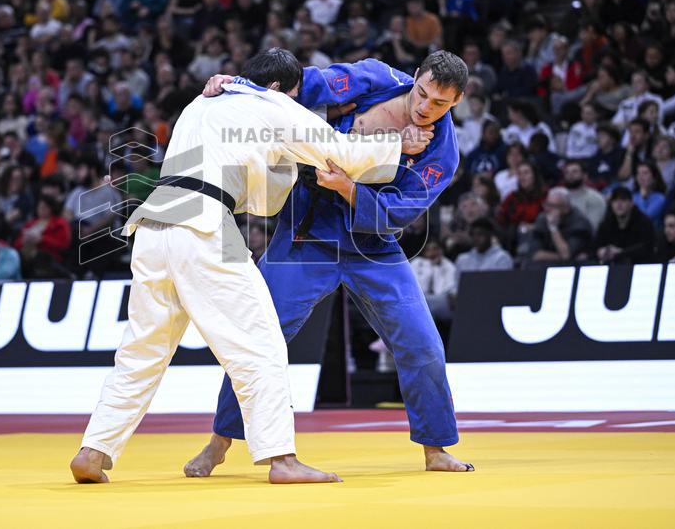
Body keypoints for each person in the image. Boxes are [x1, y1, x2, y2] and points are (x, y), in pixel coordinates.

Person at [72, 49, 420, 485]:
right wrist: (398, 145)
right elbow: (342, 152)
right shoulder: (273, 104)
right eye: (294, 95)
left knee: (142, 351)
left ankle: (94, 448)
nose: (295, 102)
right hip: (205, 226)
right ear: (278, 88)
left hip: (153, 226)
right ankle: (281, 458)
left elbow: (262, 193)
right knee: (263, 343)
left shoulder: (200, 103)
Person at [186, 51, 474, 477]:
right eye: (422, 93)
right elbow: (296, 85)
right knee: (260, 336)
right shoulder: (374, 78)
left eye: (439, 104)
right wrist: (238, 84)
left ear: (457, 102)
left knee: (422, 342)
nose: (424, 107)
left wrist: (349, 190)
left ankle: (436, 448)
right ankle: (219, 442)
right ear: (415, 77)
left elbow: (399, 211)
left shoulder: (442, 153)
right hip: (307, 229)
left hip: (372, 244)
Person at [594, 187, 656, 263]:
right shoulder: (606, 223)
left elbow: (646, 247)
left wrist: (621, 252)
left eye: (623, 200)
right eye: (615, 200)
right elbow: (596, 245)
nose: (619, 204)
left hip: (637, 265)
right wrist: (600, 251)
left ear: (631, 203)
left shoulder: (643, 222)